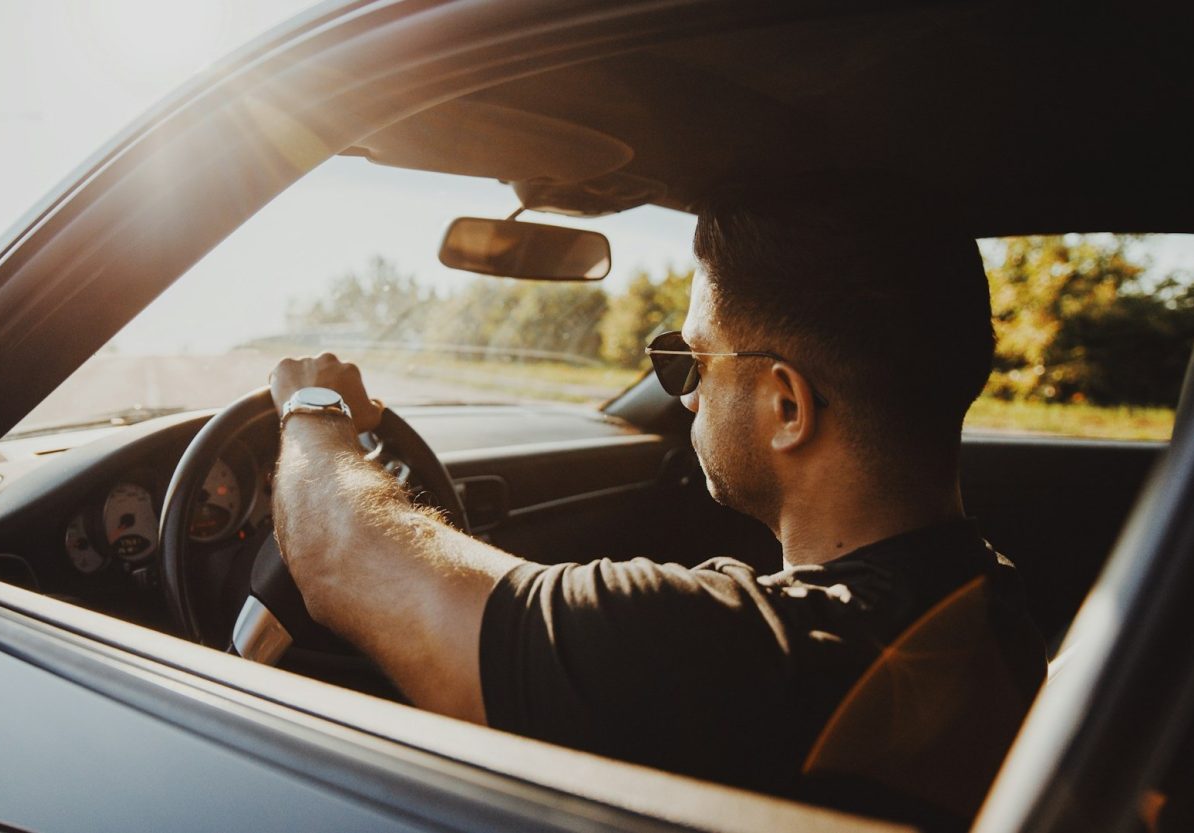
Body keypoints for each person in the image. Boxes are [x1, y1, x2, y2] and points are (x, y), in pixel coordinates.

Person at [268, 180, 1047, 809]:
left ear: (786, 406)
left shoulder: (729, 655)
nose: (683, 395)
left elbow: (339, 556)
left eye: (691, 358)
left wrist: (312, 412)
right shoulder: (991, 599)